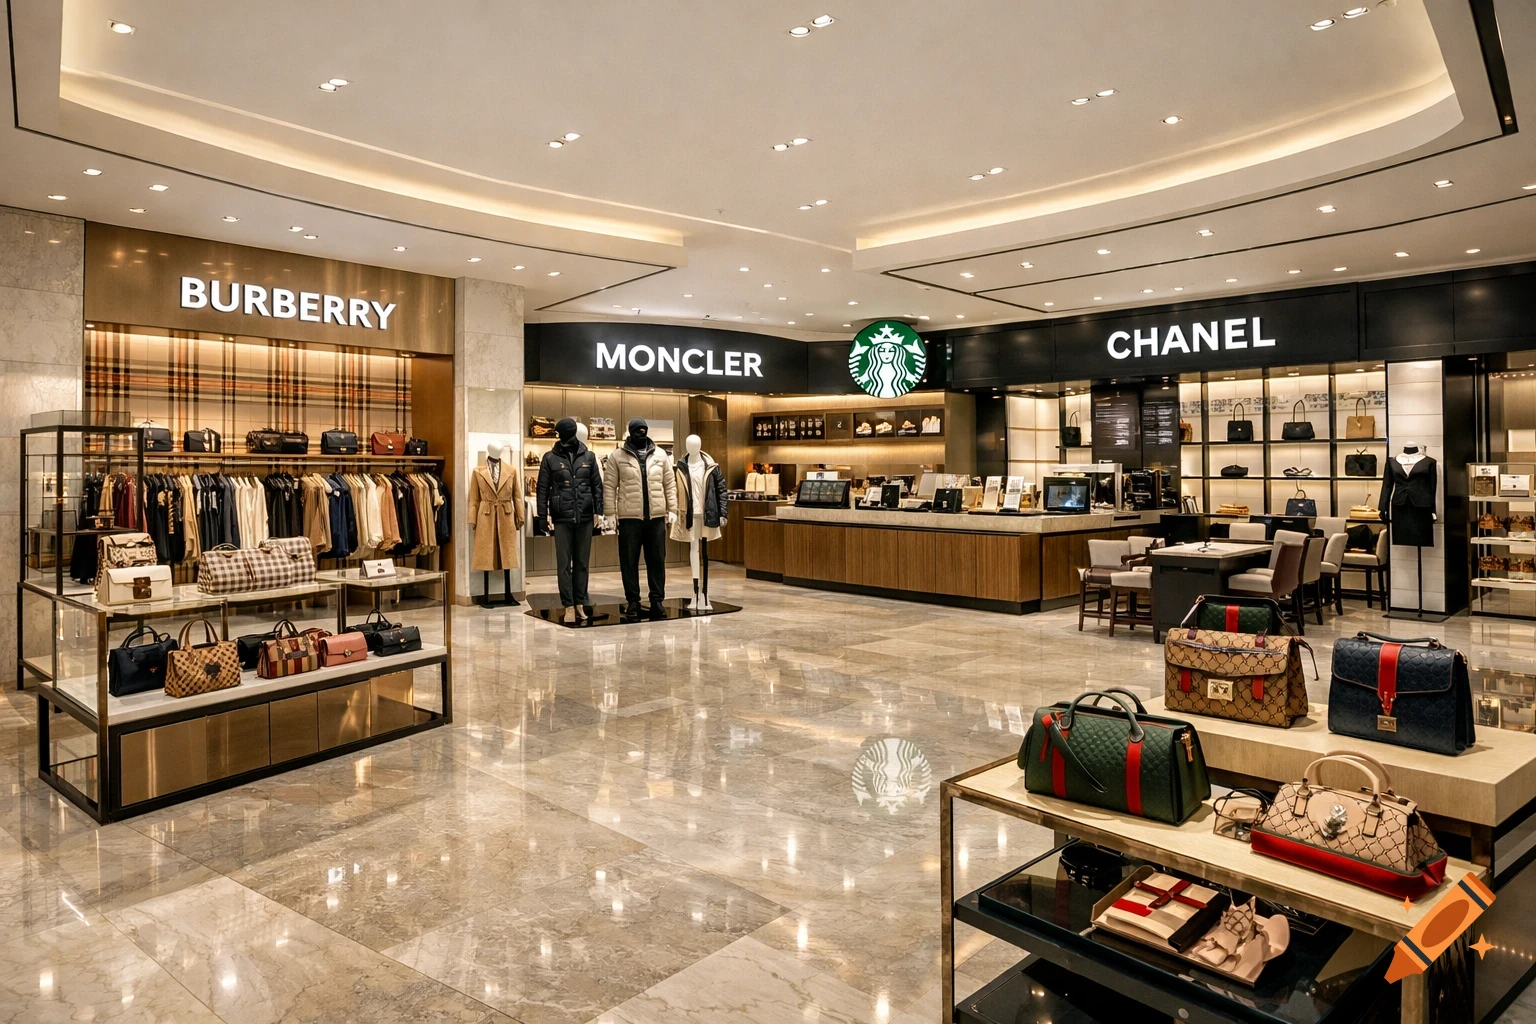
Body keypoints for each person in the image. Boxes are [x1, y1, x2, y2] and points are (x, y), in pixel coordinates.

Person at [602, 418, 677, 619]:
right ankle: (633, 601)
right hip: (629, 518)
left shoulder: (660, 455)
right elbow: (609, 486)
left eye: (644, 430)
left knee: (657, 560)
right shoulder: (617, 456)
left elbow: (669, 483)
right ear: (630, 432)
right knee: (629, 561)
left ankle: (657, 601)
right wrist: (609, 513)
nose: (641, 433)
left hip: (656, 518)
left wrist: (673, 508)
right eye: (637, 430)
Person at [537, 417, 602, 622]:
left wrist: (599, 511)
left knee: (582, 563)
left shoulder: (589, 457)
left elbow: (596, 486)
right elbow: (542, 488)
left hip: (585, 515)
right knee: (564, 564)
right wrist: (542, 515)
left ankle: (580, 602)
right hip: (562, 517)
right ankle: (568, 605)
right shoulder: (550, 458)